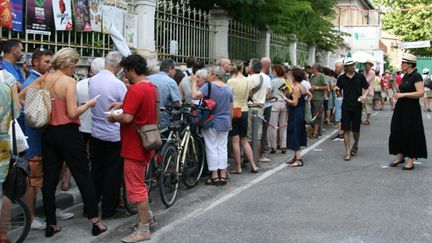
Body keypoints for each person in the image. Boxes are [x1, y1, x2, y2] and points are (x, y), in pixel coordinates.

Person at [20, 48, 107, 237]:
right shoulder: (69, 82)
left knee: (49, 180)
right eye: (74, 64)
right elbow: (73, 112)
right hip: (68, 133)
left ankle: (51, 224)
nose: (75, 68)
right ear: (68, 64)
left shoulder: (45, 78)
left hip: (48, 133)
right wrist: (89, 104)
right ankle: (95, 221)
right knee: (83, 175)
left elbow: (22, 96)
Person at [22, 48, 74, 230]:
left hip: (46, 139)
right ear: (35, 62)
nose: (49, 65)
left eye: (51, 61)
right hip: (34, 140)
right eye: (46, 61)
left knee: (48, 178)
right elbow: (24, 110)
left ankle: (50, 208)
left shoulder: (47, 80)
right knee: (34, 180)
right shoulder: (33, 82)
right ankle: (32, 216)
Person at [108, 54, 157, 242]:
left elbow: (128, 117)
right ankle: (149, 219)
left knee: (136, 188)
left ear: (130, 70)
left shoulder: (135, 90)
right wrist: (123, 104)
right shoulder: (151, 87)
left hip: (134, 145)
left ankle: (143, 229)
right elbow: (140, 107)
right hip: (147, 142)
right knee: (140, 184)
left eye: (125, 71)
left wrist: (114, 116)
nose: (125, 75)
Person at [88, 51, 127, 219]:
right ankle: (108, 209)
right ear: (117, 66)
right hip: (113, 133)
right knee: (113, 173)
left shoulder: (92, 81)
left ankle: (91, 204)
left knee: (96, 170)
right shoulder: (118, 84)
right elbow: (125, 108)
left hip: (96, 131)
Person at [191, 66, 233, 186]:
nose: (208, 75)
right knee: (222, 147)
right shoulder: (228, 88)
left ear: (214, 74)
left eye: (209, 73)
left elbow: (195, 96)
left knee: (211, 147)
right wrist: (230, 122)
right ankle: (223, 174)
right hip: (224, 121)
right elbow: (231, 107)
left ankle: (214, 175)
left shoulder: (208, 86)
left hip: (212, 121)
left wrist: (194, 82)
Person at [389, 53, 427, 170]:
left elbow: (420, 93)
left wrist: (403, 94)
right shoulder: (405, 76)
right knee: (396, 130)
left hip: (411, 109)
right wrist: (395, 85)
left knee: (410, 132)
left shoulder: (417, 76)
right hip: (401, 108)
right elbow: (402, 90)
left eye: (403, 63)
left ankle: (410, 160)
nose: (401, 64)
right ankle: (400, 156)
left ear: (410, 64)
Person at [227, 62, 258, 174]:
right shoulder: (247, 80)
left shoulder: (230, 81)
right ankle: (253, 165)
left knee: (235, 141)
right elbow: (248, 95)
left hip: (234, 111)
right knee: (244, 140)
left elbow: (228, 97)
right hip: (244, 110)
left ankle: (238, 167)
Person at [335, 57, 369, 161]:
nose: (352, 67)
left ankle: (356, 143)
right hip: (346, 106)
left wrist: (364, 96)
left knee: (356, 130)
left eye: (353, 64)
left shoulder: (360, 76)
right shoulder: (341, 78)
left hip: (357, 106)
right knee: (346, 129)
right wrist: (337, 91)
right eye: (350, 65)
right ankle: (347, 152)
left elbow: (367, 88)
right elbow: (338, 91)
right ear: (345, 67)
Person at [0, 67, 19, 243]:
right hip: (3, 146)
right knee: (3, 192)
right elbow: (17, 112)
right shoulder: (7, 83)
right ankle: (3, 235)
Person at [282, 68, 309, 167]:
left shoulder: (296, 88)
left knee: (294, 133)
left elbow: (294, 103)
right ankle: (295, 157)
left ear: (294, 77)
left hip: (295, 113)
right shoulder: (301, 86)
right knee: (297, 132)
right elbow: (309, 95)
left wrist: (285, 98)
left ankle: (298, 159)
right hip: (300, 112)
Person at [247, 58, 271, 162]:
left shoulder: (249, 79)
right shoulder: (265, 78)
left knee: (248, 135)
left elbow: (246, 93)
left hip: (250, 107)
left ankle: (248, 159)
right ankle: (257, 158)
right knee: (258, 135)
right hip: (260, 107)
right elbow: (268, 93)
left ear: (251, 68)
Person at [77, 58, 105, 146]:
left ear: (91, 70)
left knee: (82, 153)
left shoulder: (79, 84)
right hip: (100, 128)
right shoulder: (111, 85)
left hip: (82, 125)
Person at [148, 59, 181, 129]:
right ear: (170, 69)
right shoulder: (171, 82)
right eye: (174, 69)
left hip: (147, 118)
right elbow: (177, 103)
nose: (175, 72)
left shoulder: (148, 78)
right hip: (162, 119)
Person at [1, 40, 25, 133]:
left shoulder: (13, 66)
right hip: (15, 112)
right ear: (14, 50)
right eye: (21, 50)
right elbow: (20, 87)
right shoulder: (4, 67)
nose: (23, 53)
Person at [268, 64, 288, 154]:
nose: (272, 72)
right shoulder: (285, 81)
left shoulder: (273, 81)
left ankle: (273, 146)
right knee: (283, 125)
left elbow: (269, 93)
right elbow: (287, 93)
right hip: (284, 103)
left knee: (273, 125)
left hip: (275, 103)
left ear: (276, 71)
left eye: (273, 71)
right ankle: (283, 145)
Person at [260, 57, 274, 159]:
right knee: (264, 130)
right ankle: (261, 152)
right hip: (267, 106)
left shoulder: (252, 77)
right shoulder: (268, 78)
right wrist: (275, 96)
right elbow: (268, 95)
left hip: (255, 106)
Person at [309, 63, 329, 138]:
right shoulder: (312, 77)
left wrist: (316, 88)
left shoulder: (321, 76)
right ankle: (314, 130)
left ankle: (316, 132)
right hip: (312, 98)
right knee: (312, 115)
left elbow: (327, 87)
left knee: (317, 115)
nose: (311, 70)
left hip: (319, 98)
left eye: (312, 68)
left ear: (315, 69)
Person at [362, 60, 376, 125]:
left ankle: (367, 119)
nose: (366, 66)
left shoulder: (372, 72)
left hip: (369, 91)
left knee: (368, 106)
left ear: (370, 66)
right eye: (366, 65)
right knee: (362, 106)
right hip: (364, 91)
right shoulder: (365, 72)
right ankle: (362, 119)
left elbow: (366, 81)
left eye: (368, 65)